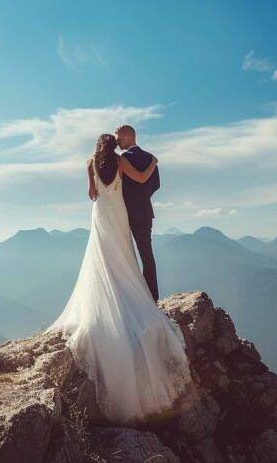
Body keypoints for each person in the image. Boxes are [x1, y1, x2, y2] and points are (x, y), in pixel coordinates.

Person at [49, 133, 190, 424]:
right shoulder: (121, 161)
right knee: (125, 258)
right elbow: (140, 179)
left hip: (100, 215)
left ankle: (106, 296)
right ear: (113, 146)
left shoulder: (90, 162)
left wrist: (99, 184)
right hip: (118, 214)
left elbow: (91, 194)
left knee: (101, 258)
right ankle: (130, 294)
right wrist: (154, 162)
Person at [114, 124, 161, 301]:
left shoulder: (122, 159)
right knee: (146, 255)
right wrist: (142, 197)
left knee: (124, 254)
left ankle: (129, 299)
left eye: (118, 138)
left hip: (126, 213)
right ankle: (152, 298)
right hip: (145, 212)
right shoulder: (150, 158)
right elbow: (156, 185)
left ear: (127, 137)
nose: (116, 142)